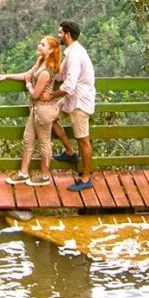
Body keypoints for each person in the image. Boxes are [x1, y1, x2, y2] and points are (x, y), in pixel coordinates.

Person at [0, 36, 61, 186]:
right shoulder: (40, 62)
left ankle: (44, 177)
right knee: (28, 138)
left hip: (44, 110)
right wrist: (7, 76)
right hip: (36, 109)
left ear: (51, 50)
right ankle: (23, 173)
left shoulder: (47, 71)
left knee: (44, 143)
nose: (39, 45)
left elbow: (35, 94)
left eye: (42, 44)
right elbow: (27, 75)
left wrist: (27, 85)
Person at [50, 20, 96, 191]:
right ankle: (69, 152)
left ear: (68, 34)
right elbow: (60, 76)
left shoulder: (75, 55)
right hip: (71, 99)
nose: (58, 35)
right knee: (50, 117)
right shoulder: (71, 53)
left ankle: (86, 178)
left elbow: (68, 85)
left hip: (79, 102)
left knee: (83, 140)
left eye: (60, 32)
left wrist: (51, 94)